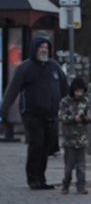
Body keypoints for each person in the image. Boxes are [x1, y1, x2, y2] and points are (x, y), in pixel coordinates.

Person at [0, 35, 69, 190]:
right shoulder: (26, 67)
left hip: (51, 114)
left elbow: (64, 88)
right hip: (32, 113)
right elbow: (13, 89)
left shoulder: (54, 67)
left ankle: (41, 178)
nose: (43, 50)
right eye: (41, 47)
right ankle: (32, 178)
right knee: (36, 144)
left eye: (46, 47)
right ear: (35, 49)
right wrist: (3, 110)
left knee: (46, 147)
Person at [58, 76, 91, 195]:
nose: (79, 94)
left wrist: (87, 119)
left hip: (82, 138)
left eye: (81, 91)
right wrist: (73, 118)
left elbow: (90, 115)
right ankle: (66, 184)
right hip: (69, 139)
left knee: (81, 165)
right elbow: (61, 117)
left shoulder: (85, 102)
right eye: (77, 91)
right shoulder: (65, 102)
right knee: (69, 166)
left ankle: (81, 186)